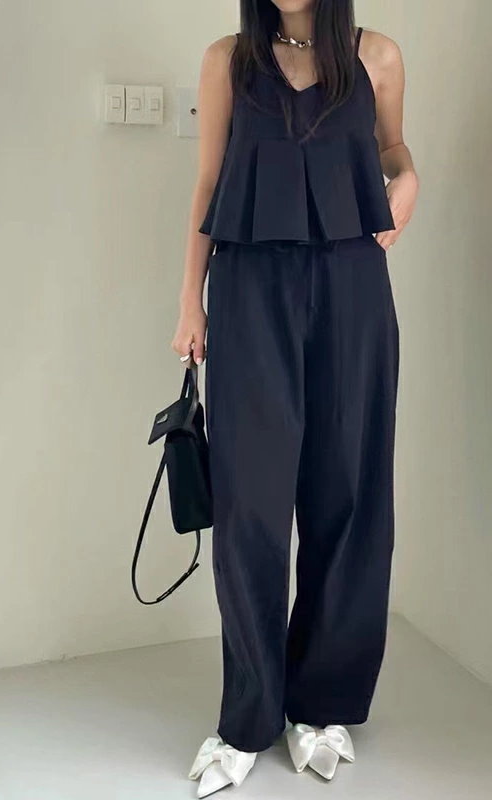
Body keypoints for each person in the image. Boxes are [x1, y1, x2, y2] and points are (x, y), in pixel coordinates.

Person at [172, 1, 418, 795]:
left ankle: (321, 704)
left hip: (353, 286)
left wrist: (410, 174)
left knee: (347, 492)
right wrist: (189, 300)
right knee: (249, 500)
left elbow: (391, 148)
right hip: (249, 287)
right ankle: (247, 716)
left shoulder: (378, 56)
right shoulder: (228, 60)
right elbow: (210, 181)